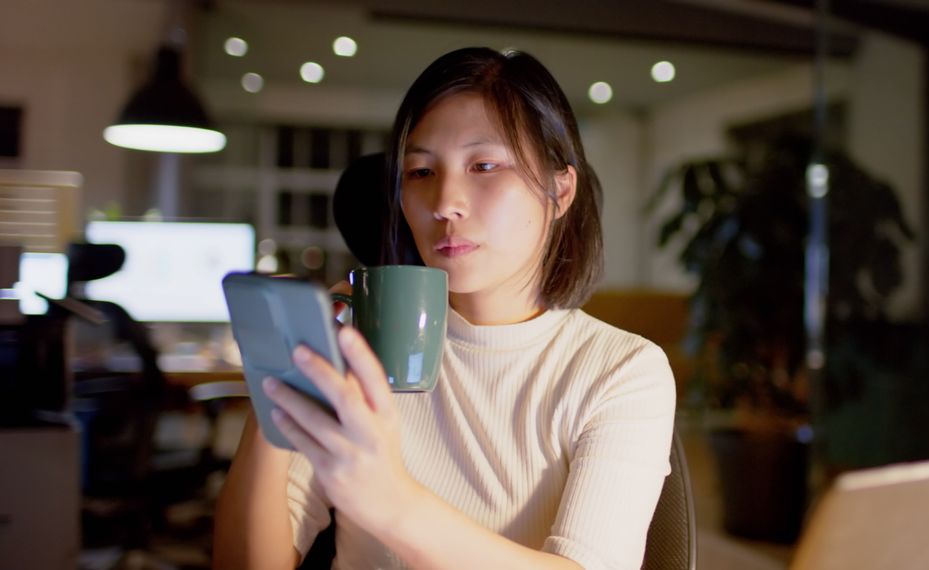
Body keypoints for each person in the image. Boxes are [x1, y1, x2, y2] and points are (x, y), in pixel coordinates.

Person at [213, 46, 676, 570]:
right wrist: (273, 381)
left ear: (559, 189)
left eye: (483, 165)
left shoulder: (620, 369)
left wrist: (391, 502)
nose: (445, 202)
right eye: (420, 172)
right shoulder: (360, 352)